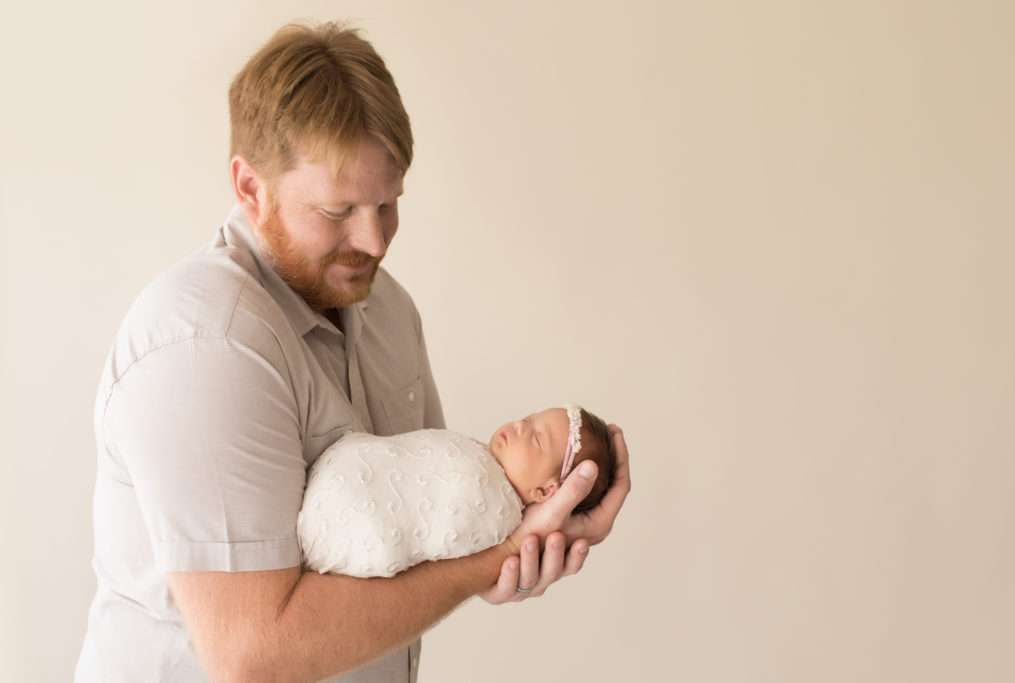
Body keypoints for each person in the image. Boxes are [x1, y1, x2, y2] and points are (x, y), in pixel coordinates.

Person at [76, 21, 630, 683]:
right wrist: (493, 559)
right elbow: (255, 654)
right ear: (250, 188)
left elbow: (430, 536)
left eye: (388, 204)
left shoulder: (391, 311)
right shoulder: (203, 343)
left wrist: (534, 529)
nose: (374, 241)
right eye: (338, 211)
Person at [300, 405, 616, 577]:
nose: (519, 426)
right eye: (527, 418)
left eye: (536, 438)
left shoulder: (498, 515)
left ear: (547, 491)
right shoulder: (478, 455)